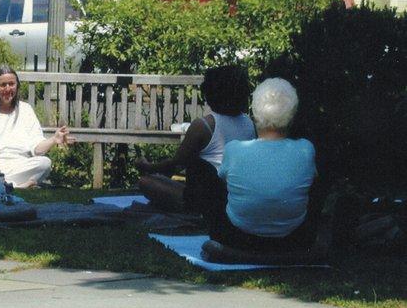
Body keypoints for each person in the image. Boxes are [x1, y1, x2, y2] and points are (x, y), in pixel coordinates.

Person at [214, 77, 320, 252]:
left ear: (254, 114)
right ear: (292, 116)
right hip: (295, 239)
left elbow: (225, 186)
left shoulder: (233, 149)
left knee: (203, 171)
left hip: (238, 237)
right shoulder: (306, 149)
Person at [135, 65, 256, 215]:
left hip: (207, 202)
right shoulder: (249, 123)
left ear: (212, 93)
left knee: (147, 182)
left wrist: (147, 167)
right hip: (239, 199)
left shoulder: (205, 125)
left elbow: (175, 165)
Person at [0, 64, 75, 189]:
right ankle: (19, 186)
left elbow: (37, 149)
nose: (8, 88)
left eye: (11, 84)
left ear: (17, 85)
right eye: (3, 85)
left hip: (20, 165)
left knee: (44, 163)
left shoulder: (26, 110)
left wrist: (54, 140)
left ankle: (0, 184)